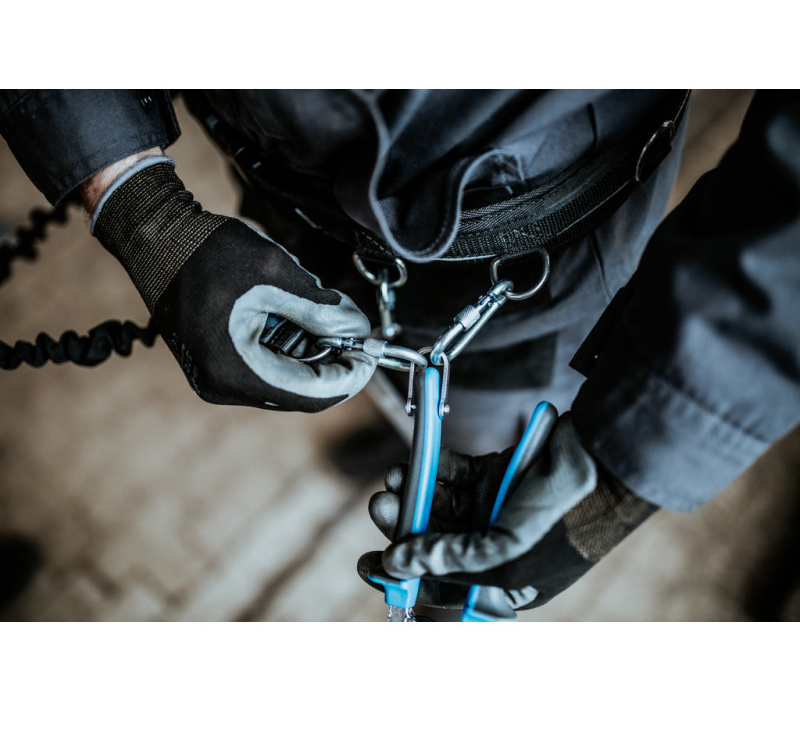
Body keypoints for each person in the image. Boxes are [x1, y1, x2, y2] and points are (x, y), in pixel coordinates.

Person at [1, 90, 798, 614]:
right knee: (408, 393)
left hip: (540, 255)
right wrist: (141, 206)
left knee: (497, 437)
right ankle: (419, 431)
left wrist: (630, 467)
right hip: (281, 186)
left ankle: (456, 443)